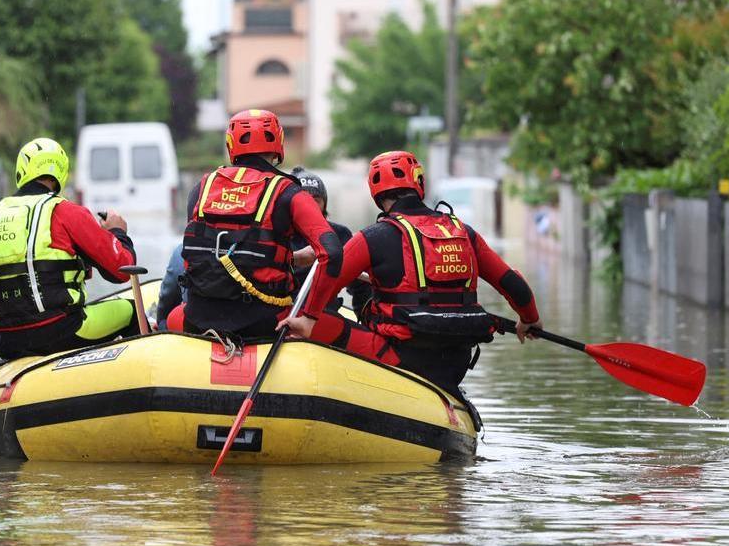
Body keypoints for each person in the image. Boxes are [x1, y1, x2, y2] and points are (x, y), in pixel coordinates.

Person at [281, 150, 541, 398]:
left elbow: (326, 281)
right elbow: (513, 283)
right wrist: (529, 318)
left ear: (375, 192)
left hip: (401, 357)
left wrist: (307, 319)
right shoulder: (463, 232)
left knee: (296, 319)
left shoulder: (372, 237)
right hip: (456, 360)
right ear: (419, 183)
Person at [172, 109, 343, 339]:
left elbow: (212, 252)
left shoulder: (202, 187)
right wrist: (309, 318)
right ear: (279, 143)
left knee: (171, 316)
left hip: (196, 319)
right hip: (263, 324)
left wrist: (294, 258)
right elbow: (332, 252)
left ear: (231, 144)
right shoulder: (290, 193)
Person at [0, 137, 139, 360]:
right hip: (59, 332)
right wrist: (118, 233)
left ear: (22, 171)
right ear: (61, 174)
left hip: (4, 340)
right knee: (132, 311)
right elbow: (122, 270)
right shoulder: (66, 211)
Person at [289, 166, 371, 317]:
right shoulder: (274, 233)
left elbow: (362, 286)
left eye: (316, 200)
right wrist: (296, 259)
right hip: (283, 314)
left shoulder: (339, 234)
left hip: (324, 315)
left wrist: (367, 318)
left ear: (324, 204)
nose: (310, 206)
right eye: (303, 200)